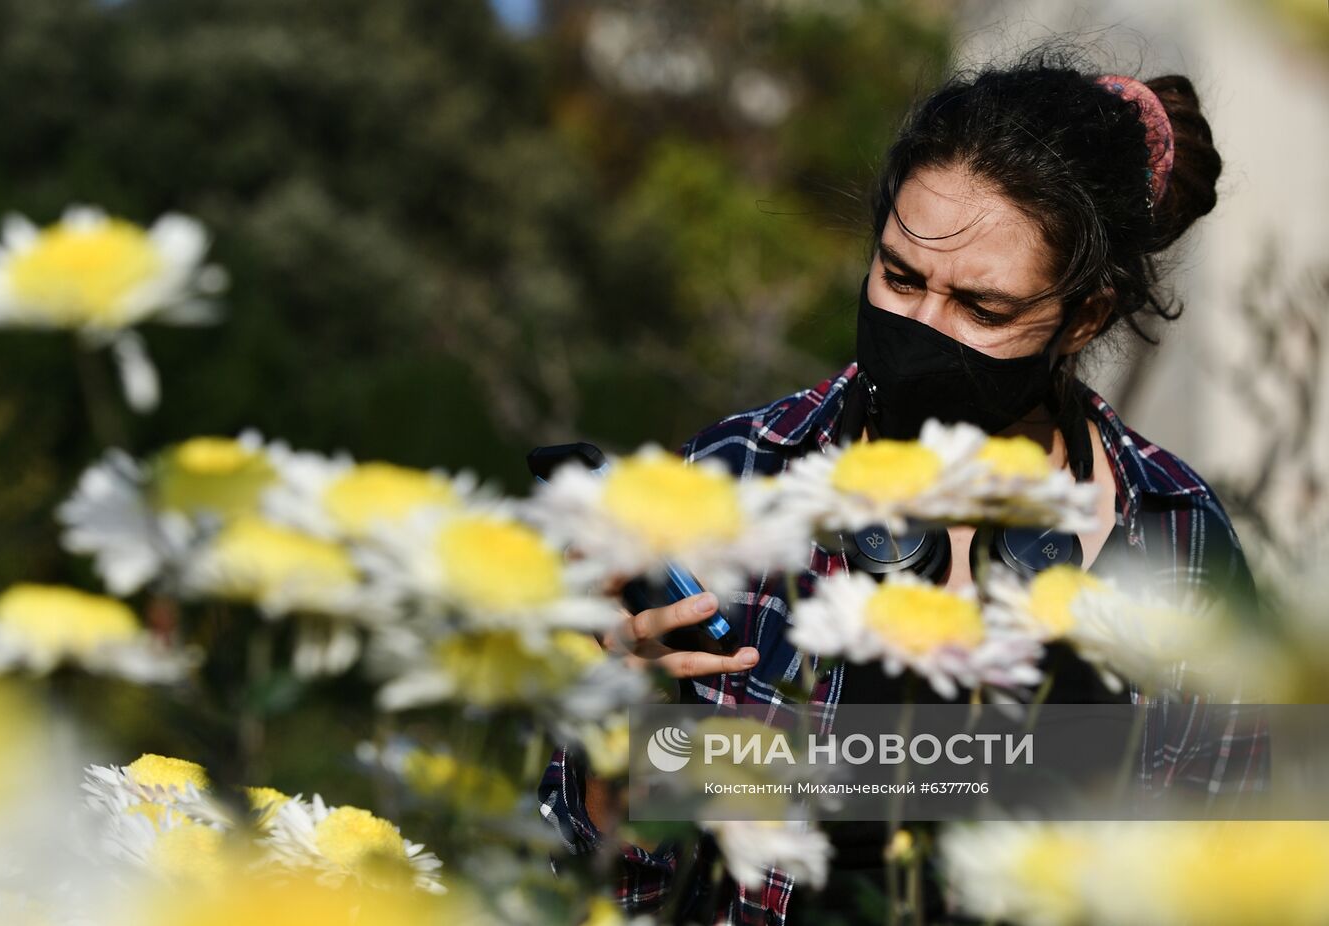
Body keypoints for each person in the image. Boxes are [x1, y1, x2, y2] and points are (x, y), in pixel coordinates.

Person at [539, 47, 1266, 925]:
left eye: (982, 309)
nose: (920, 328)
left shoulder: (1179, 538)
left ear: (1086, 317)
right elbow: (604, 894)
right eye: (900, 276)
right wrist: (621, 749)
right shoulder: (734, 482)